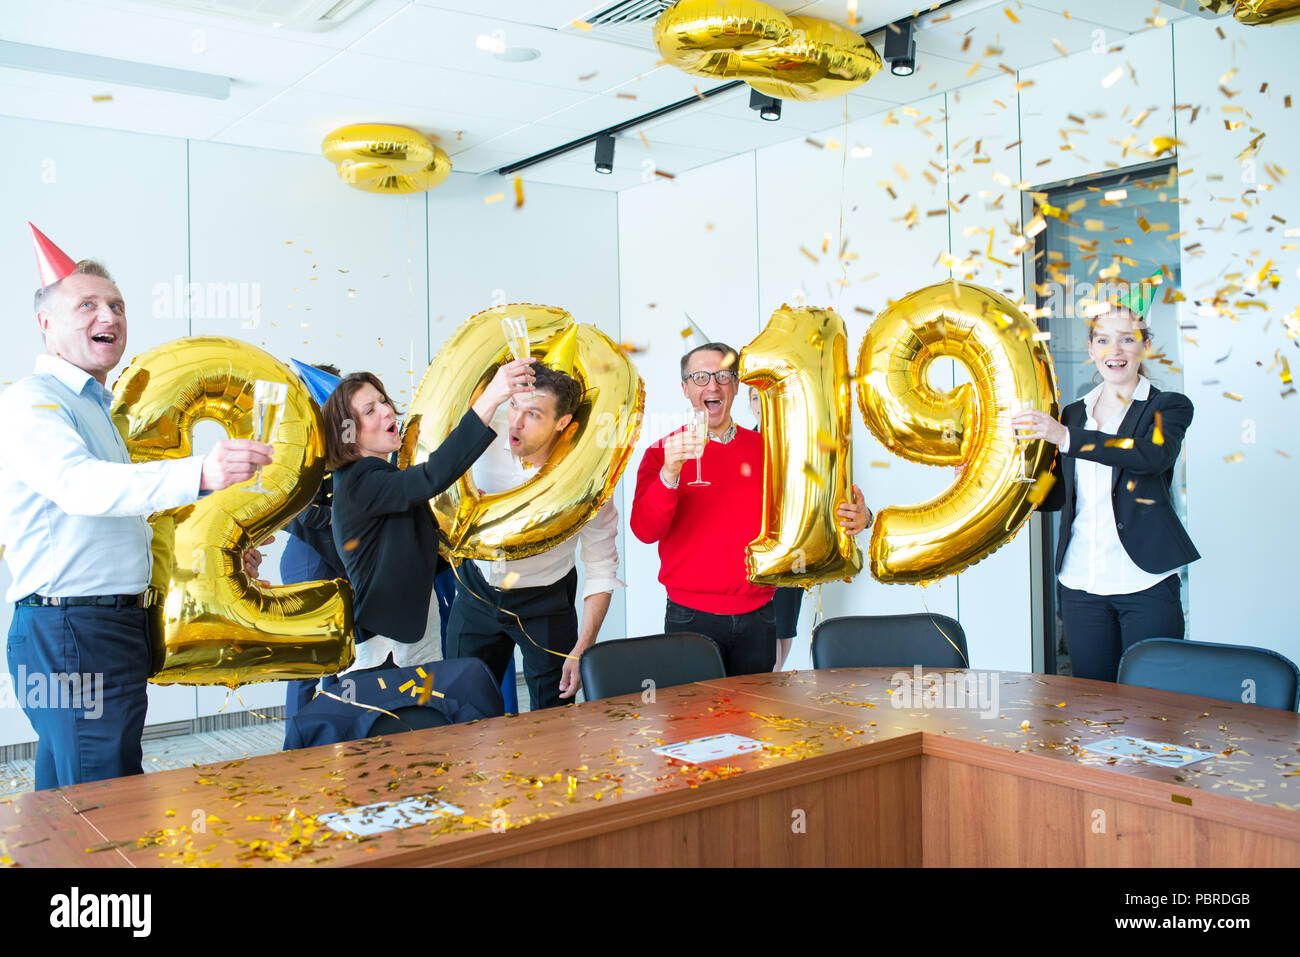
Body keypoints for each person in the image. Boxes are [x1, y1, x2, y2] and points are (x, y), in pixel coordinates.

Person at [0, 226, 272, 790]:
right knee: (106, 797)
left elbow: (121, 524)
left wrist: (219, 551)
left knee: (69, 795)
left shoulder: (95, 408)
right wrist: (201, 471)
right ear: (46, 322)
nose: (110, 316)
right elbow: (79, 486)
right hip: (73, 631)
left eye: (117, 305)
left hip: (100, 628)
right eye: (88, 305)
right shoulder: (33, 402)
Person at [631, 342, 871, 676]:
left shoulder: (773, 452)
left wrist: (862, 517)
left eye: (723, 376)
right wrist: (669, 474)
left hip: (759, 616)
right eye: (700, 377)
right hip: (689, 616)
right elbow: (645, 531)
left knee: (756, 710)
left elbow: (818, 509)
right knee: (692, 710)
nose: (712, 385)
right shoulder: (661, 453)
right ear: (685, 389)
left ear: (736, 385)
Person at [1014, 301, 1199, 683]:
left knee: (1154, 702)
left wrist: (1066, 437)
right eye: (1103, 340)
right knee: (1092, 702)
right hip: (1081, 582)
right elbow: (1056, 493)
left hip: (1145, 582)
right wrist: (1012, 481)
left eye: (1127, 339)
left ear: (1145, 346)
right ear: (1091, 349)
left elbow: (1151, 456)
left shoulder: (1168, 406)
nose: (1114, 351)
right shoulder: (1072, 414)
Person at [322, 358, 534, 676]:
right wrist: (491, 397)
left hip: (412, 637)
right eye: (369, 410)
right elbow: (432, 475)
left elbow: (413, 554)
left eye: (383, 401)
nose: (386, 411)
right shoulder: (359, 480)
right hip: (385, 650)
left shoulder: (377, 477)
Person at [445, 362, 622, 709]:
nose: (516, 421)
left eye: (534, 414)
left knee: (554, 711)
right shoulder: (482, 433)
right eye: (514, 406)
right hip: (476, 590)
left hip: (545, 600)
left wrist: (583, 647)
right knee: (462, 707)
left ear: (562, 422)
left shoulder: (587, 476)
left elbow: (602, 566)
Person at [280, 363, 348, 721]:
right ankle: (298, 741)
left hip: (335, 557)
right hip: (309, 558)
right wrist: (352, 516)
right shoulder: (298, 445)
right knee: (307, 660)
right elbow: (304, 512)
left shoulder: (335, 444)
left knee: (336, 655)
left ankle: (332, 732)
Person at [749, 385, 803, 671]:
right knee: (762, 635)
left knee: (784, 628)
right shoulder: (743, 444)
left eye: (767, 397)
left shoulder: (801, 442)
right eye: (755, 398)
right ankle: (771, 689)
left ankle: (777, 684)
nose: (761, 403)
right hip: (754, 552)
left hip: (791, 550)